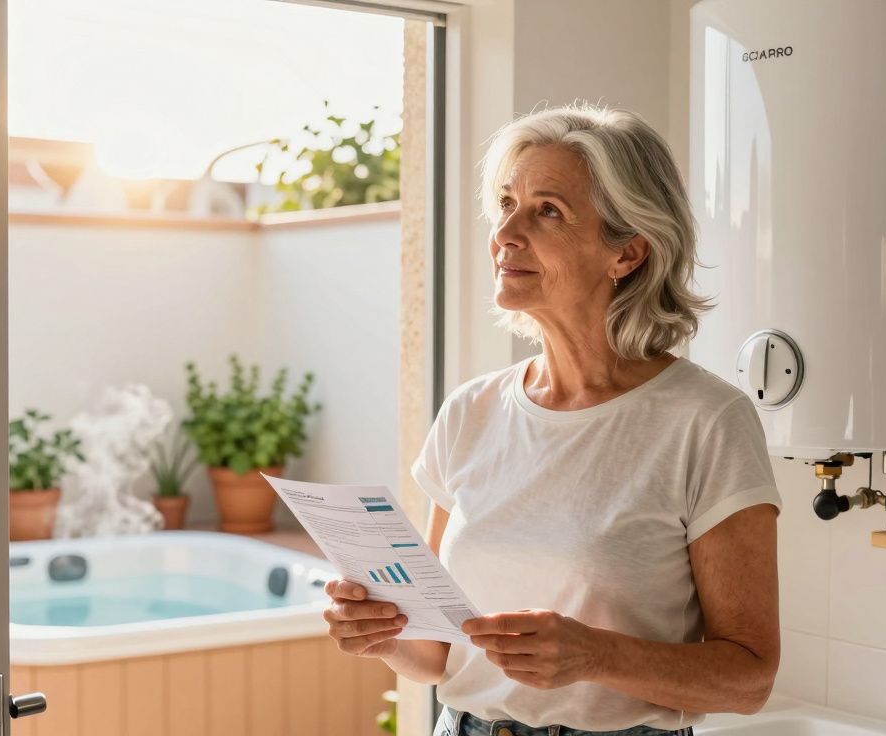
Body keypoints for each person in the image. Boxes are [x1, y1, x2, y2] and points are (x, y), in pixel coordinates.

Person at [323, 103, 782, 736]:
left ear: (627, 253)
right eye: (506, 203)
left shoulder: (707, 421)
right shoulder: (471, 412)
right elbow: (434, 653)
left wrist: (597, 655)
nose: (505, 233)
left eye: (548, 211)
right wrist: (383, 635)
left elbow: (750, 679)